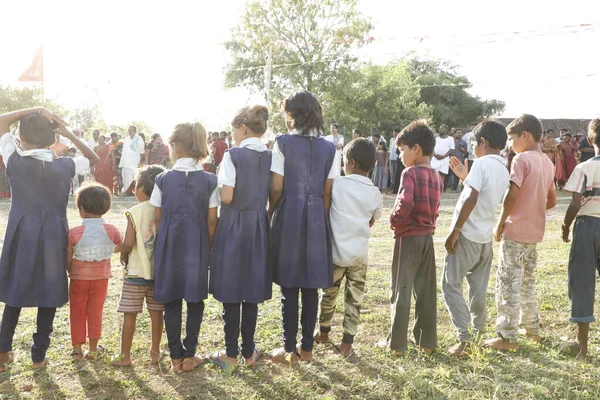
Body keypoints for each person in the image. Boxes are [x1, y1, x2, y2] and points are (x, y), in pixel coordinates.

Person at [0, 107, 99, 372]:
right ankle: (38, 356)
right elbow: (93, 157)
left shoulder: (15, 161)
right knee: (49, 292)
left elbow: (1, 121)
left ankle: (2, 353)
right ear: (52, 137)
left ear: (20, 135)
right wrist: (66, 132)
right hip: (54, 233)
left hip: (22, 232)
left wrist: (35, 109)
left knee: (15, 292)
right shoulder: (65, 164)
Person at [268, 90, 340, 365]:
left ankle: (288, 350)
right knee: (311, 285)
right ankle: (306, 348)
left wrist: (272, 210)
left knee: (289, 284)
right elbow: (327, 191)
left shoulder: (282, 142)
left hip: (288, 213)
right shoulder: (330, 148)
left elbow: (276, 186)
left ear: (293, 114)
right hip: (316, 216)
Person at [150, 122, 219, 373]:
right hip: (198, 244)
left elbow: (157, 217)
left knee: (171, 299)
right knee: (195, 298)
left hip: (169, 243)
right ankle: (190, 355)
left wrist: (166, 238)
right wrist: (209, 246)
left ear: (175, 146)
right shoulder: (211, 180)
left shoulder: (162, 179)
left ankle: (175, 358)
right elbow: (212, 220)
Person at [485, 114, 557, 351]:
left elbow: (512, 194)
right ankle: (532, 329)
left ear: (524, 135)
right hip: (534, 233)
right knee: (527, 282)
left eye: (511, 138)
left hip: (515, 232)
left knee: (508, 283)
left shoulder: (521, 159)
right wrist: (534, 208)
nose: (509, 144)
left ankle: (507, 337)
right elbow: (552, 200)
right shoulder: (547, 162)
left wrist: (500, 222)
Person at [209, 105, 272, 369]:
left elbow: (227, 196)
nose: (233, 136)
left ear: (243, 128)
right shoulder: (271, 156)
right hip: (258, 222)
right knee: (251, 288)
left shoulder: (232, 156)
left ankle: (231, 354)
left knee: (232, 288)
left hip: (234, 222)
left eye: (234, 131)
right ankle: (249, 352)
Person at [442, 121, 510, 356]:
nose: (472, 146)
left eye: (474, 142)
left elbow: (471, 197)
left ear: (484, 142)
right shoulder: (503, 167)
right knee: (478, 289)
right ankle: (478, 333)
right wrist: (464, 177)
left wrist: (455, 230)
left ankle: (465, 339)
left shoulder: (481, 164)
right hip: (484, 238)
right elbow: (482, 194)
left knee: (451, 285)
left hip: (468, 234)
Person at [314, 138, 383, 358]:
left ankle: (323, 333)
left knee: (328, 295)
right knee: (354, 300)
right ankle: (347, 343)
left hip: (335, 254)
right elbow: (373, 219)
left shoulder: (338, 184)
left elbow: (326, 201)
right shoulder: (375, 193)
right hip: (359, 256)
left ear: (350, 162)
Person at [381, 120, 443, 355]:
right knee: (426, 291)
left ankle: (397, 345)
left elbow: (405, 202)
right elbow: (436, 208)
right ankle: (426, 342)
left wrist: (395, 221)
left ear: (415, 149)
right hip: (428, 237)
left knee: (401, 289)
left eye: (401, 150)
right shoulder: (437, 176)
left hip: (408, 237)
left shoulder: (410, 172)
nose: (400, 155)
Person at [111, 165, 166, 367]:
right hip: (158, 274)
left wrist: (117, 250)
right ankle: (154, 352)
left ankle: (125, 355)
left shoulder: (134, 212)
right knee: (156, 314)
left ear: (141, 187)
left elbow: (128, 243)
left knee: (130, 315)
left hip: (135, 273)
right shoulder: (164, 209)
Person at [68, 184, 122, 361]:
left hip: (78, 278)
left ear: (81, 210)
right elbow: (118, 247)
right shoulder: (112, 230)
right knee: (95, 311)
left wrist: (69, 269)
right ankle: (93, 348)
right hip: (101, 278)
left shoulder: (75, 232)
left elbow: (68, 256)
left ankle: (77, 350)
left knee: (77, 311)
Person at [560, 118, 600, 358]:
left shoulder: (584, 168)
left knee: (582, 282)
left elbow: (576, 203)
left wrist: (565, 226)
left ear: (591, 139)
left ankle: (582, 347)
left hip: (587, 226)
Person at [119, 126, 144, 196]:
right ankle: (127, 191)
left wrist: (140, 162)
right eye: (128, 130)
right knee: (126, 176)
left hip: (135, 162)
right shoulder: (126, 139)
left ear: (135, 131)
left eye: (131, 131)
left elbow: (142, 152)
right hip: (126, 162)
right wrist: (122, 163)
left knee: (133, 177)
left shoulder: (139, 139)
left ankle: (130, 191)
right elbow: (124, 152)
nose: (129, 132)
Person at [392, 128, 406, 194]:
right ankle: (397, 189)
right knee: (398, 175)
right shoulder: (399, 141)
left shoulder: (403, 141)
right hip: (400, 159)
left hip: (403, 160)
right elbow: (397, 151)